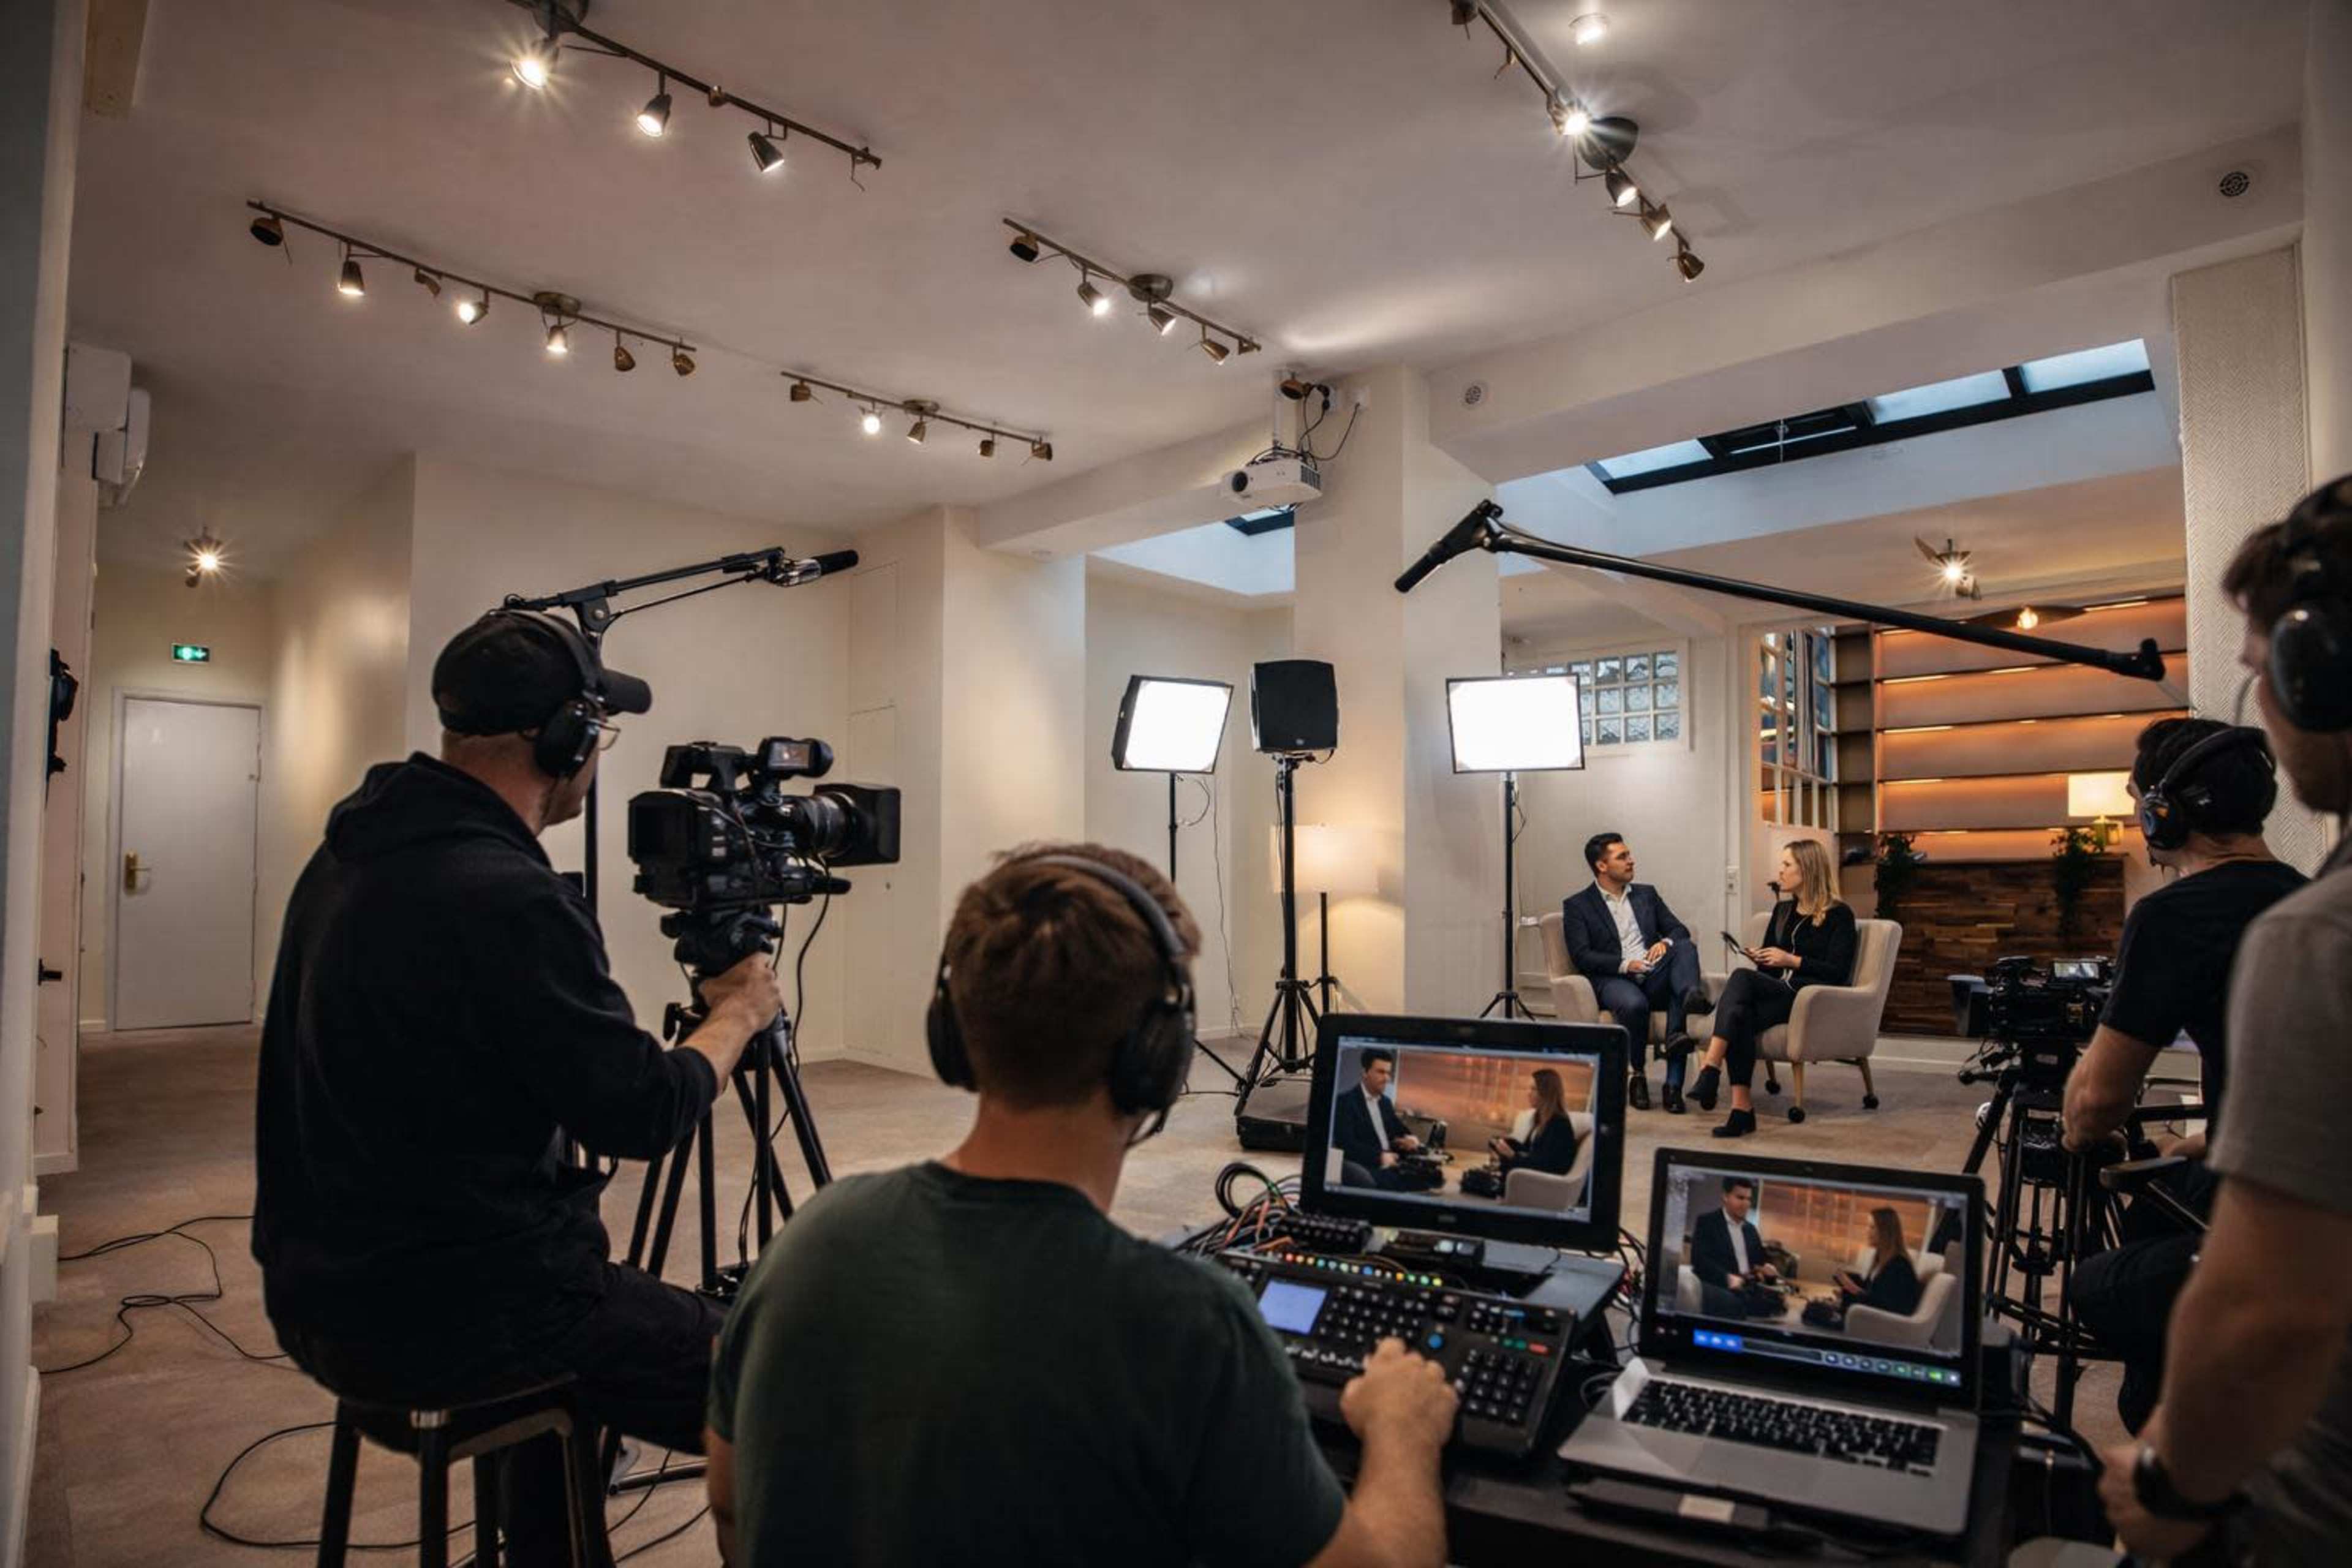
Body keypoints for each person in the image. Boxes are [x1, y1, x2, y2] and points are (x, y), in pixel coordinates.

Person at [704, 843, 1458, 1566]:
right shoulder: (1187, 1321)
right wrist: (1402, 1429)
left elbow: (733, 1506)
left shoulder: (810, 1236)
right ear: (1158, 1059)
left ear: (954, 1031)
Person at [252, 611, 785, 1566]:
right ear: (567, 738)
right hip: (461, 1318)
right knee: (785, 1369)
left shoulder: (347, 854)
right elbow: (642, 1111)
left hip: (319, 1295)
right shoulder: (507, 895)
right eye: (597, 733)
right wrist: (738, 1013)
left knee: (589, 1329)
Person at [2096, 475, 2352, 1566]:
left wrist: (2169, 1482)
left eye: (2261, 675)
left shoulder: (2320, 938)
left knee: (2108, 1278)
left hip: (2306, 1508)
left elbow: (2269, 1312)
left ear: (2317, 672)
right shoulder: (2302, 890)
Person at [2060, 715, 2303, 1431]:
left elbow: (2095, 1106)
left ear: (2165, 813)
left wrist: (2075, 1109)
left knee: (2098, 1285)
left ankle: (2183, 1436)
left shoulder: (2172, 917)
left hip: (2275, 1220)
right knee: (2157, 1195)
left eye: (2140, 802)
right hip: (2299, 1177)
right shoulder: (2306, 896)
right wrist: (2204, 1139)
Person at [1672, 840, 1856, 1139]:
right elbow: (1769, 972)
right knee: (1740, 1014)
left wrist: (1791, 960)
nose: (1779, 872)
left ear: (1807, 869)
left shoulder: (1839, 915)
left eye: (1787, 865)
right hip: (1778, 990)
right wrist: (1764, 958)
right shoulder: (1783, 910)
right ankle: (1741, 1110)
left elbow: (1838, 971)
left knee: (1742, 979)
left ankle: (1710, 1067)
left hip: (1809, 997)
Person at [1561, 833, 1709, 1114]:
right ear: (1601, 866)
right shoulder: (1578, 905)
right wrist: (1625, 965)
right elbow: (1582, 956)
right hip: (1614, 978)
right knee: (1635, 1004)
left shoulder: (1647, 894)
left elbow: (1679, 930)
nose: (1632, 861)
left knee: (1684, 948)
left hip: (1652, 972)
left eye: (1629, 855)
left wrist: (1662, 944)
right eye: (1623, 857)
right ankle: (1638, 1076)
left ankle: (1674, 1084)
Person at [1335, 1048, 1430, 1191]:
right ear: (1365, 1073)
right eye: (1381, 1072)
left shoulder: (1385, 1102)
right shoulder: (1345, 1102)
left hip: (1394, 1161)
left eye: (1388, 1073)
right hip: (1370, 1166)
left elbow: (1399, 1128)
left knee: (1430, 1179)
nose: (1387, 1078)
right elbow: (1347, 1145)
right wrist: (1380, 1157)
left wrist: (1410, 1139)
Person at [1688, 1176, 1779, 1319]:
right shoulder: (1707, 1222)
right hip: (1719, 1286)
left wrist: (1769, 1271)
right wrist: (1727, 1279)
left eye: (1748, 1199)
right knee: (1735, 1304)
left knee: (1779, 1306)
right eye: (1740, 1198)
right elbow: (1699, 1261)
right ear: (1725, 1197)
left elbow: (1760, 1263)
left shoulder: (1751, 1230)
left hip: (1748, 1287)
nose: (1746, 1204)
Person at [1831, 1207, 1923, 1321]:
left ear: (1885, 1232)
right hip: (1868, 1315)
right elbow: (1873, 1291)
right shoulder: (1882, 1259)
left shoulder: (1898, 1266)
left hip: (1879, 1324)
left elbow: (1881, 1305)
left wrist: (1850, 1290)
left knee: (1816, 1313)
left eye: (1872, 1227)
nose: (1867, 1231)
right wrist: (1847, 1287)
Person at [1487, 1067, 1580, 1178]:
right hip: (1532, 1174)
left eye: (1533, 1089)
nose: (1528, 1093)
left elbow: (1545, 1165)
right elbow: (1530, 1150)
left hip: (1542, 1182)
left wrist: (1512, 1155)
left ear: (1546, 1093)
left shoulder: (1559, 1124)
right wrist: (1506, 1143)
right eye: (1529, 1089)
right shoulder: (1541, 1117)